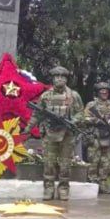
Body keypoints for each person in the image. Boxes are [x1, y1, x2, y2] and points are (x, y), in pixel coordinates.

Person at [26, 66, 84, 201]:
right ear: (53, 79)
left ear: (66, 79)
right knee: (49, 163)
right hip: (50, 134)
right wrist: (28, 128)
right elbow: (37, 114)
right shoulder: (46, 96)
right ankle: (49, 188)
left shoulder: (73, 96)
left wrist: (73, 121)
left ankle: (63, 188)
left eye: (62, 77)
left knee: (65, 164)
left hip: (67, 135)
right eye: (57, 76)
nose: (59, 79)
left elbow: (81, 113)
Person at [84, 82, 110, 194]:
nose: (104, 93)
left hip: (107, 137)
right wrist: (97, 120)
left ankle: (103, 184)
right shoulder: (92, 105)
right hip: (95, 137)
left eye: (106, 91)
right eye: (102, 91)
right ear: (98, 92)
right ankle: (92, 183)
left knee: (105, 163)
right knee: (93, 162)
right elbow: (84, 119)